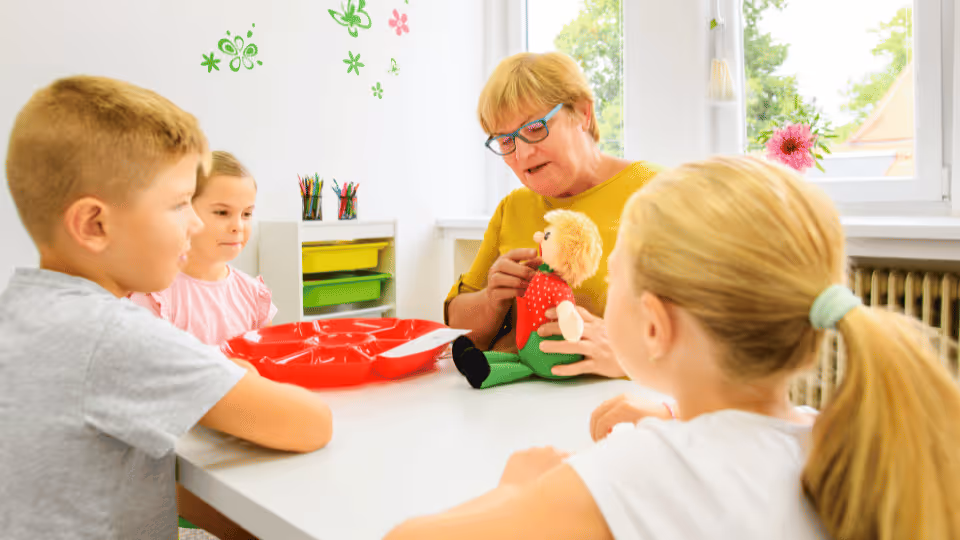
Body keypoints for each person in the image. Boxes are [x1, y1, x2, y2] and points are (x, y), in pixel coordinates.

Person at [386, 155, 960, 539]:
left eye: (616, 276)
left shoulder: (643, 472)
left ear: (655, 327)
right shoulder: (837, 443)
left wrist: (515, 487)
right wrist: (676, 412)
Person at [1, 75, 333, 540]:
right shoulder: (114, 334)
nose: (195, 222)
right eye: (179, 204)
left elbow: (131, 484)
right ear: (94, 224)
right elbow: (309, 423)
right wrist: (238, 373)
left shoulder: (24, 310)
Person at [444, 51, 662, 379]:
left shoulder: (658, 193)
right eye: (506, 140)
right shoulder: (512, 207)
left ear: (583, 114)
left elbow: (718, 330)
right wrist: (491, 301)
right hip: (515, 408)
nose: (522, 154)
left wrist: (628, 353)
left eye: (534, 128)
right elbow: (456, 329)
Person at [130, 150, 276, 346]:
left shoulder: (253, 294)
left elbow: (266, 359)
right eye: (222, 212)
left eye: (247, 214)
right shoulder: (156, 295)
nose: (238, 226)